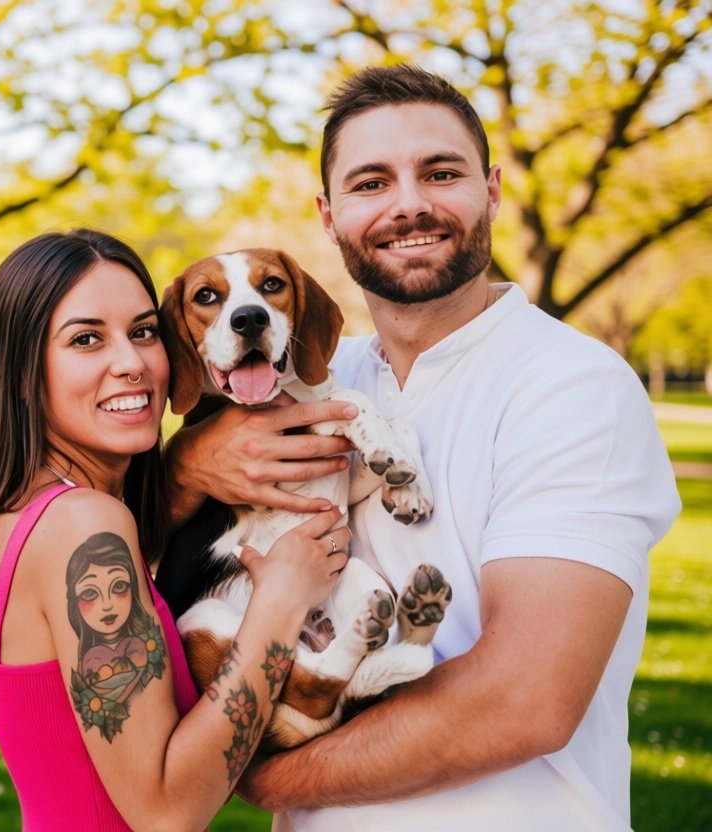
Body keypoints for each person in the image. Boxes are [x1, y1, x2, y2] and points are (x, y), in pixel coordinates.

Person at [166, 65, 682, 831]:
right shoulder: (310, 379)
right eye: (371, 182)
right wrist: (185, 467)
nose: (408, 204)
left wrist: (262, 774)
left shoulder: (574, 387)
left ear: (493, 191)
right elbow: (151, 551)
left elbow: (524, 701)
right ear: (329, 215)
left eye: (440, 173)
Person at [0, 228, 350, 831]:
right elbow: (167, 811)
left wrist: (186, 467)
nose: (132, 364)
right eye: (86, 339)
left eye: (142, 332)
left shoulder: (25, 516)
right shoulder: (87, 527)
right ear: (23, 373)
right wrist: (282, 601)